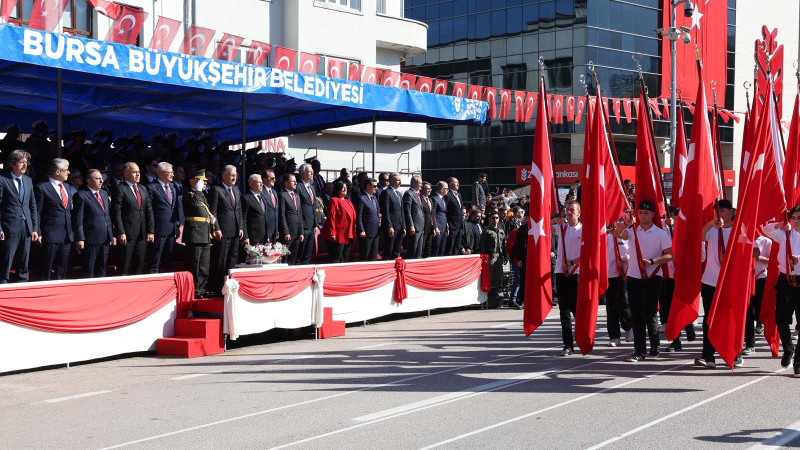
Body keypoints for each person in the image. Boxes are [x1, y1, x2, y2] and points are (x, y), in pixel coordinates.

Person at [613, 200, 673, 362]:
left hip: (653, 276)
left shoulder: (660, 233)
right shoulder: (633, 231)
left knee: (650, 312)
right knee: (636, 314)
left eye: (646, 213)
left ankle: (655, 344)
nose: (643, 215)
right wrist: (625, 224)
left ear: (653, 214)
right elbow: (617, 234)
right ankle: (639, 350)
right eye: (640, 213)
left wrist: (652, 261)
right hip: (634, 277)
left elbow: (670, 255)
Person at [693, 200, 740, 368]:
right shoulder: (712, 230)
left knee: (730, 319)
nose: (719, 214)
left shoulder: (738, 230)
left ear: (731, 211)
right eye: (717, 211)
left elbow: (752, 251)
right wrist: (711, 223)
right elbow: (699, 236)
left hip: (730, 282)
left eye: (723, 210)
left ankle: (734, 354)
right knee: (709, 320)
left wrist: (731, 256)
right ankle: (708, 356)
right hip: (710, 281)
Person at [766, 205, 800, 375]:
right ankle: (788, 348)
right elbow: (766, 230)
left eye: (799, 218)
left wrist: (798, 259)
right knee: (781, 317)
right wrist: (780, 224)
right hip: (785, 279)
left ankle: (798, 361)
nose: (796, 221)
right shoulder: (785, 234)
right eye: (794, 218)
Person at [0, 150, 39, 283]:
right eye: (22, 162)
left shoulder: (28, 180)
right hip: (9, 227)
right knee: (6, 259)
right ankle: (3, 284)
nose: (25, 165)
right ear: (12, 164)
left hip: (26, 227)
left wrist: (34, 228)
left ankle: (22, 283)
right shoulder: (3, 179)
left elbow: (32, 206)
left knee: (24, 260)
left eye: (26, 162)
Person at [183, 170, 222, 298]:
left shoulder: (202, 195)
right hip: (194, 234)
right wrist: (198, 190)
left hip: (205, 233)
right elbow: (195, 204)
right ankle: (194, 291)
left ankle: (202, 290)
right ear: (194, 181)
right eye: (202, 181)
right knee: (195, 264)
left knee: (204, 266)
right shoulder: (189, 195)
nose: (205, 183)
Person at [111, 162, 154, 275]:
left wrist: (151, 231)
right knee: (123, 266)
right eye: (134, 172)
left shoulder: (143, 188)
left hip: (142, 234)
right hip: (127, 234)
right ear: (126, 174)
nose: (138, 174)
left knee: (139, 265)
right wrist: (121, 232)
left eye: (138, 172)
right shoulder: (120, 188)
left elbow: (149, 210)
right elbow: (116, 212)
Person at [35, 158, 74, 280]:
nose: (68, 172)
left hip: (66, 236)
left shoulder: (67, 186)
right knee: (45, 270)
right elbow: (37, 212)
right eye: (66, 170)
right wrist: (38, 232)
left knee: (62, 271)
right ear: (57, 171)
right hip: (50, 236)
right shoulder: (42, 187)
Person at [208, 165, 244, 296]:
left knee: (232, 260)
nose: (234, 178)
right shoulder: (216, 189)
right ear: (224, 175)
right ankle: (218, 289)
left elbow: (239, 211)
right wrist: (216, 228)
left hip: (235, 232)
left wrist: (241, 227)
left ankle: (230, 287)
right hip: (222, 232)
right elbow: (213, 212)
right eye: (231, 175)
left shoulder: (236, 190)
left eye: (235, 175)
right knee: (220, 261)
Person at [553, 200, 582, 356]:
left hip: (576, 272)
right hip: (561, 272)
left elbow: (587, 253)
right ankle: (568, 344)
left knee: (575, 307)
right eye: (567, 210)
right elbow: (543, 226)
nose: (569, 212)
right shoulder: (561, 228)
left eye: (572, 210)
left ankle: (581, 337)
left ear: (579, 212)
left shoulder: (583, 229)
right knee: (563, 309)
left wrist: (571, 262)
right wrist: (555, 220)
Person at [72, 169, 113, 278]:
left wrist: (111, 234)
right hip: (90, 239)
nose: (101, 181)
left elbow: (106, 215)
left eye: (101, 178)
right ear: (89, 181)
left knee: (102, 269)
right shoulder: (81, 195)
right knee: (89, 270)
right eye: (98, 179)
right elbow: (78, 219)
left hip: (105, 238)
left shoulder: (104, 193)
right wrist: (80, 238)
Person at [146, 162, 182, 274]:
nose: (173, 174)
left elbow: (174, 208)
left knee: (168, 260)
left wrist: (176, 226)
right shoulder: (151, 187)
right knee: (155, 260)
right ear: (161, 173)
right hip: (158, 230)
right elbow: (149, 210)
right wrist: (151, 230)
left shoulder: (172, 187)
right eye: (170, 172)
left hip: (171, 230)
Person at [605, 218, 631, 347]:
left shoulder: (629, 235)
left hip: (624, 274)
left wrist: (625, 259)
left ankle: (629, 326)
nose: (618, 223)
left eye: (621, 220)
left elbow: (635, 253)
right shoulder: (608, 236)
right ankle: (614, 336)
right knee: (611, 306)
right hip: (610, 275)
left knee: (622, 303)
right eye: (616, 220)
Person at [745, 234, 771, 355]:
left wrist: (757, 257)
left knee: (760, 311)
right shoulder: (742, 237)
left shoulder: (766, 241)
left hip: (761, 277)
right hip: (746, 279)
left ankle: (763, 325)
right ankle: (750, 345)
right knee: (748, 313)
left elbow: (772, 261)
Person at [322, 181, 356, 263]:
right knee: (336, 257)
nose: (345, 189)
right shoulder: (333, 200)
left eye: (346, 188)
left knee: (345, 256)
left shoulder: (348, 201)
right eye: (342, 188)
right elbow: (331, 218)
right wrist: (332, 232)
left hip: (348, 233)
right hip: (338, 234)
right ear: (337, 190)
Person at [480, 211, 506, 309]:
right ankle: (488, 300)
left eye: (496, 218)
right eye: (493, 218)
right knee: (489, 278)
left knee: (498, 278)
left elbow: (503, 245)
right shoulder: (486, 231)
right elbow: (482, 246)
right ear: (490, 219)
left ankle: (496, 300)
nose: (495, 219)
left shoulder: (501, 230)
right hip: (490, 257)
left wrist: (505, 255)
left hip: (499, 257)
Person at [278, 173, 304, 265]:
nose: (296, 183)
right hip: (288, 233)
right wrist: (286, 232)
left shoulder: (297, 196)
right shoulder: (282, 195)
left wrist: (301, 232)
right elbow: (282, 215)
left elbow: (299, 215)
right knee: (285, 258)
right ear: (286, 183)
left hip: (297, 233)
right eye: (293, 181)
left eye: (296, 181)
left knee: (293, 258)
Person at [296, 163, 319, 265]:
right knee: (300, 254)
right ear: (302, 173)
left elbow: (313, 207)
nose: (312, 173)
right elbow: (298, 208)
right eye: (309, 172)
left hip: (311, 226)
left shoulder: (312, 188)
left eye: (312, 172)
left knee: (308, 254)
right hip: (303, 225)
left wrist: (315, 224)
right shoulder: (298, 187)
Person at [380, 172, 405, 259]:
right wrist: (389, 226)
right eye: (397, 180)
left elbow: (402, 211)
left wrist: (404, 226)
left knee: (397, 251)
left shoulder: (399, 194)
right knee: (388, 250)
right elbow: (386, 211)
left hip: (400, 227)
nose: (399, 182)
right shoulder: (386, 193)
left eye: (400, 180)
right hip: (391, 227)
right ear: (391, 181)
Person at [242, 174, 271, 245]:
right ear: (251, 184)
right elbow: (243, 219)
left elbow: (265, 218)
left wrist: (267, 236)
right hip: (252, 238)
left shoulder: (263, 198)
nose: (262, 185)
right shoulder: (246, 198)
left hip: (264, 238)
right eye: (259, 182)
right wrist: (245, 237)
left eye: (262, 182)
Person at [356, 177, 380, 261]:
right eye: (374, 186)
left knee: (373, 257)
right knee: (365, 256)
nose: (376, 188)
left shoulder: (374, 198)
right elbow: (359, 216)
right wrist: (362, 230)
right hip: (366, 232)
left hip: (375, 232)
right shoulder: (361, 198)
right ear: (368, 186)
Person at [403, 175, 426, 259]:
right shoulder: (409, 194)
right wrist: (411, 225)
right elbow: (407, 211)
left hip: (420, 227)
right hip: (414, 227)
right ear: (414, 183)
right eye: (420, 183)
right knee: (413, 250)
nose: (421, 185)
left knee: (419, 251)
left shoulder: (418, 194)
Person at [445, 177, 464, 255]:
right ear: (450, 184)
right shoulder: (448, 194)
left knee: (457, 246)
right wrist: (447, 224)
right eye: (456, 182)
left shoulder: (459, 194)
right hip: (452, 226)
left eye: (458, 182)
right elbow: (445, 210)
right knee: (450, 246)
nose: (458, 184)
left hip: (460, 226)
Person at [260, 169, 280, 243]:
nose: (274, 180)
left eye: (275, 178)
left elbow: (276, 211)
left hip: (274, 231)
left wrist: (277, 229)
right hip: (265, 231)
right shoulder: (261, 192)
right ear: (264, 179)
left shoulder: (274, 192)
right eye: (272, 178)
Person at [431, 181, 448, 257]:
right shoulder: (434, 198)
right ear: (442, 189)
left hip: (444, 228)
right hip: (438, 228)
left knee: (442, 249)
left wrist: (447, 225)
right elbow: (433, 214)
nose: (447, 190)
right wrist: (436, 227)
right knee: (436, 249)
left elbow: (443, 213)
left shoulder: (443, 199)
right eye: (446, 188)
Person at [420, 181, 436, 258]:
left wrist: (435, 227)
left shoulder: (430, 200)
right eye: (428, 188)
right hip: (423, 226)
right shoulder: (419, 199)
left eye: (430, 189)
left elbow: (433, 214)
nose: (430, 190)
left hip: (430, 227)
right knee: (422, 247)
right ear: (422, 189)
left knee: (428, 247)